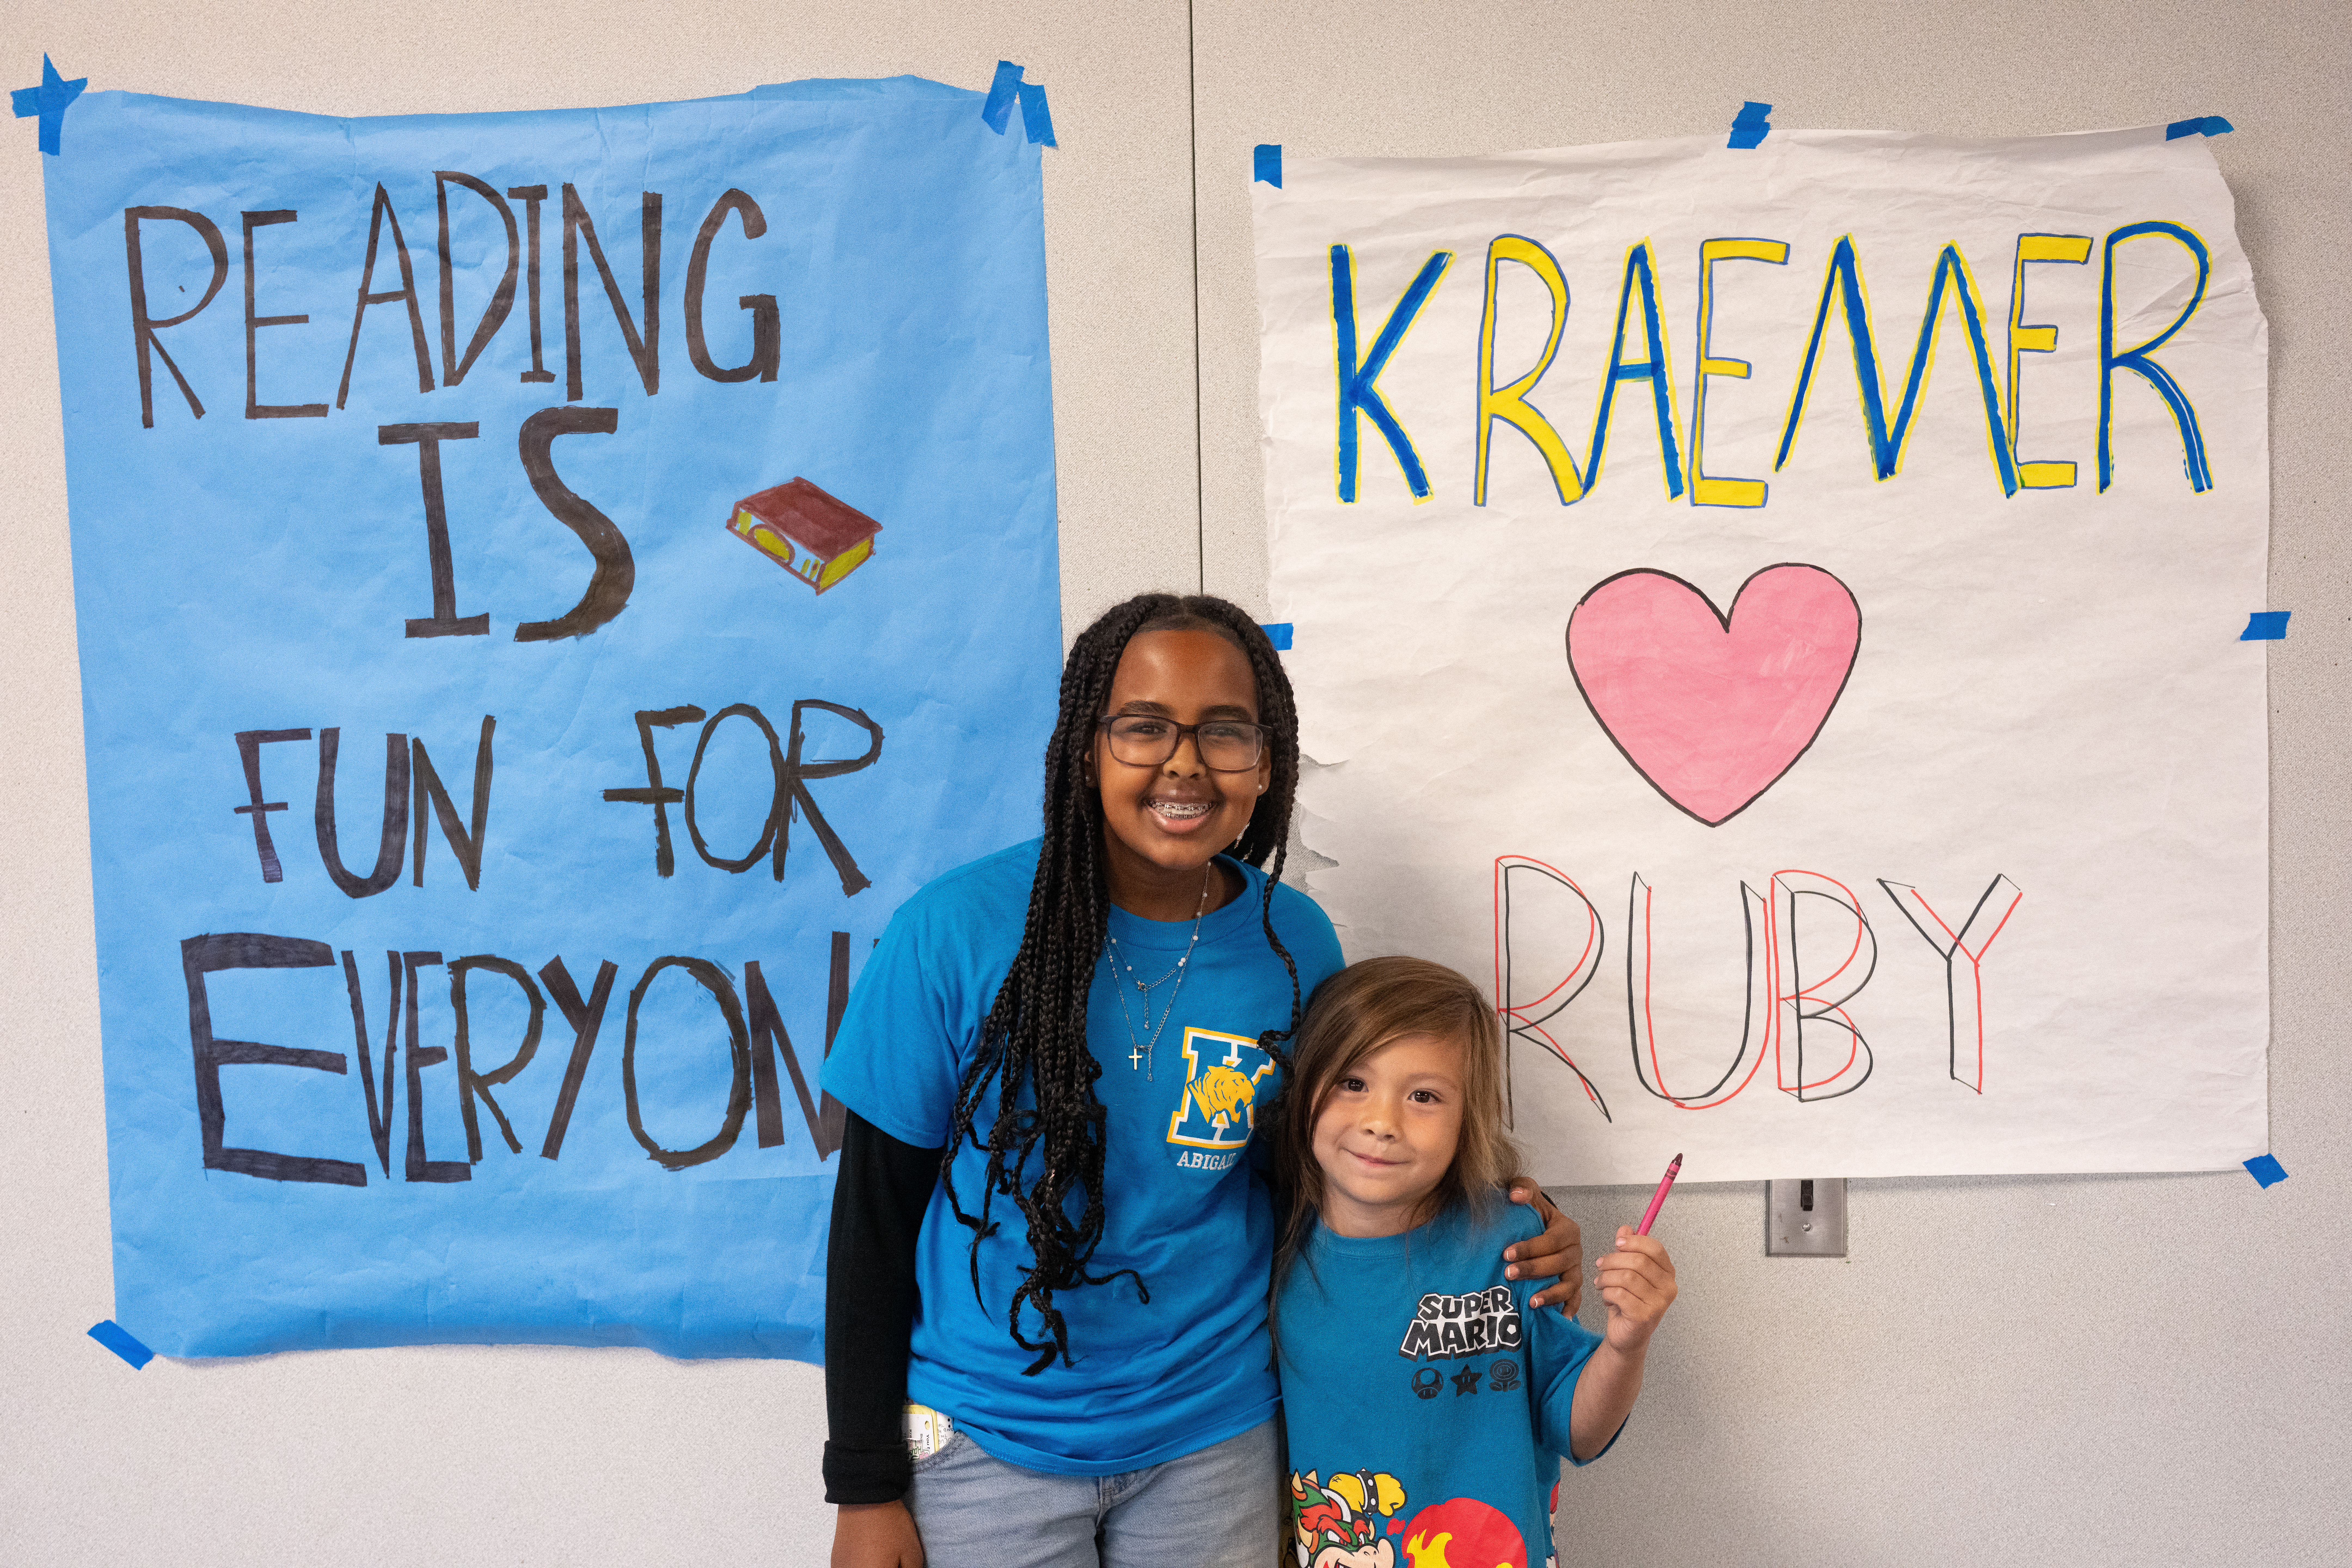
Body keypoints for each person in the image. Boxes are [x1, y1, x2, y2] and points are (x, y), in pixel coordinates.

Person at [819, 593, 1587, 1568]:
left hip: (1212, 1432)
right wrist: (864, 1486)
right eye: (1143, 727)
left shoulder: (1292, 940)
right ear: (1084, 747)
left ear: (1266, 762)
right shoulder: (954, 932)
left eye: (1224, 733)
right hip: (988, 1441)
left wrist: (1511, 1227)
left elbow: (1337, 1167)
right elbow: (872, 1221)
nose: (1184, 763)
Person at [1273, 957, 1680, 1568]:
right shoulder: (1267, 1242)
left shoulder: (1512, 1241)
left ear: (1469, 1119)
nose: (1382, 1123)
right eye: (1353, 1084)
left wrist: (1627, 1342)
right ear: (1304, 1088)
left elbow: (1581, 1434)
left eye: (1424, 1096)